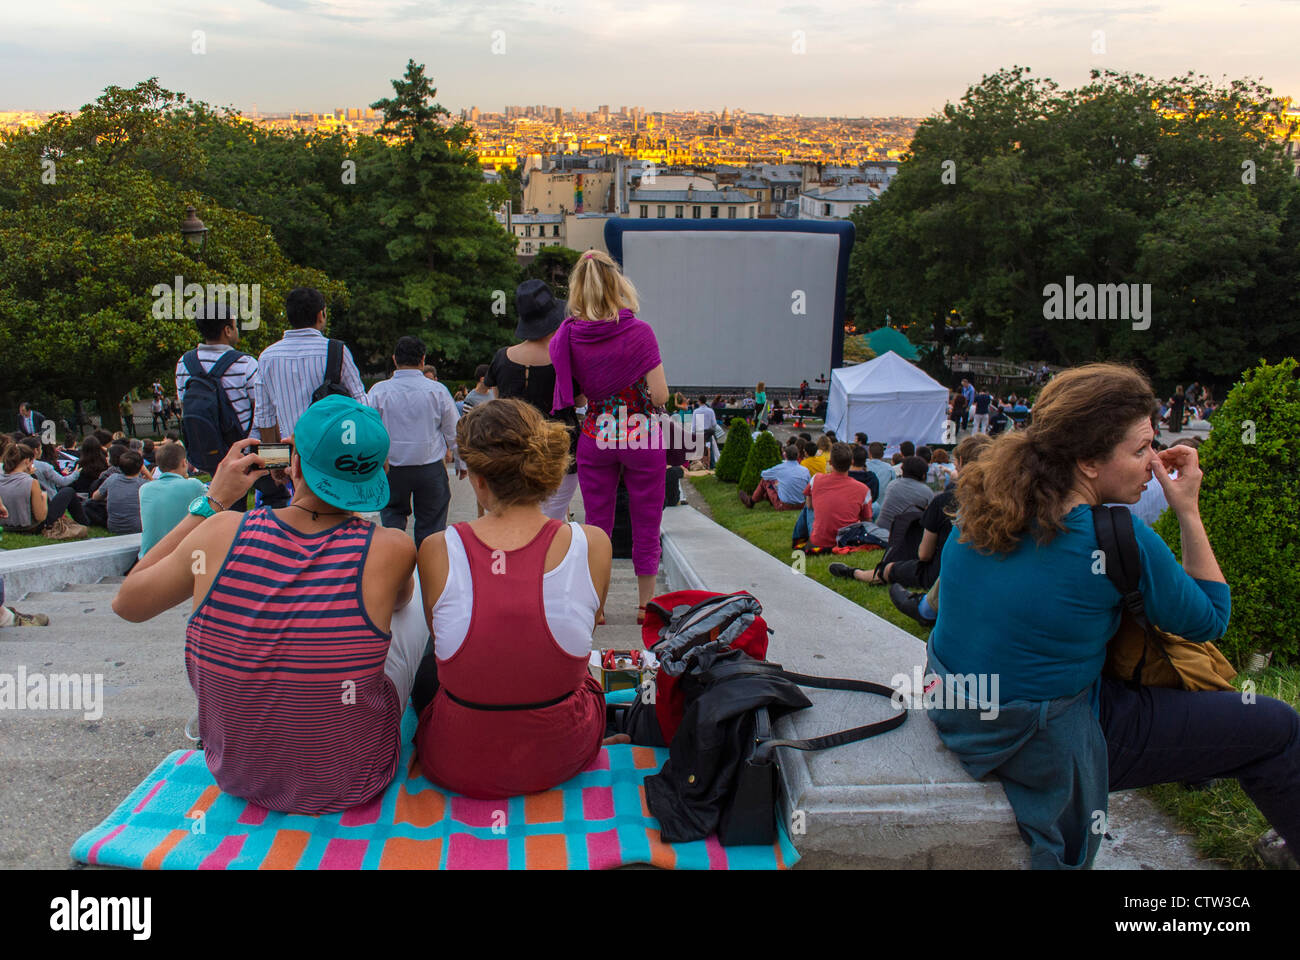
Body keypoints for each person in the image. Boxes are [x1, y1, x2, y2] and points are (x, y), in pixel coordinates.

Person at [924, 362, 1300, 870]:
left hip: (959, 709)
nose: (1153, 463)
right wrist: (1188, 508)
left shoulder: (982, 503)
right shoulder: (1114, 535)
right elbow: (1211, 618)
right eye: (1141, 448)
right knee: (1275, 725)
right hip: (1042, 733)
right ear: (1087, 461)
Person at [112, 397, 423, 815]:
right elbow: (400, 602)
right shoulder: (392, 548)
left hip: (236, 774)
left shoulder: (220, 531)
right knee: (410, 599)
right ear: (380, 473)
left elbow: (128, 601)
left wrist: (212, 503)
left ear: (292, 465)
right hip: (351, 778)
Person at [413, 397, 613, 798]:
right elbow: (580, 632)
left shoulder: (436, 549)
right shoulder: (592, 544)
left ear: (480, 480)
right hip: (562, 752)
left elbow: (446, 648)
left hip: (458, 757)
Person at [549, 249, 669, 624]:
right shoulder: (639, 332)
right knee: (646, 520)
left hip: (597, 433)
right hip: (640, 435)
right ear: (617, 283)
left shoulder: (569, 335)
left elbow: (578, 394)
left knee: (595, 522)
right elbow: (661, 395)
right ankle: (644, 605)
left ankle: (597, 606)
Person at [484, 279, 581, 522]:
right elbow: (579, 401)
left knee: (513, 522)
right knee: (553, 521)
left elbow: (499, 403)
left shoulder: (501, 357)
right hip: (559, 452)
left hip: (512, 451)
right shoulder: (566, 359)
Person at [367, 336, 466, 548]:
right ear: (423, 360)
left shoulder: (378, 391)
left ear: (395, 360)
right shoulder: (437, 391)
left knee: (392, 524)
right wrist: (462, 462)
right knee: (431, 531)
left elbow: (369, 432)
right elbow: (454, 431)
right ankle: (429, 572)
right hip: (429, 469)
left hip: (391, 469)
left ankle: (396, 572)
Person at [252, 286, 366, 446]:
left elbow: (264, 417)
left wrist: (275, 465)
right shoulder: (337, 350)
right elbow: (361, 401)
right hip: (333, 450)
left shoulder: (267, 357)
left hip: (293, 454)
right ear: (321, 315)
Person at [0, 442, 87, 540]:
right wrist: (44, 495)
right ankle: (84, 523)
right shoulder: (30, 482)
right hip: (30, 527)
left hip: (6, 526)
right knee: (68, 491)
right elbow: (40, 517)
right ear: (27, 461)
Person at [138, 441, 208, 559]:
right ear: (184, 463)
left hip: (147, 559)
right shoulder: (194, 485)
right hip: (183, 560)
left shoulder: (144, 489)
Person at [801, 443, 872, 549]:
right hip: (847, 541)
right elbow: (867, 521)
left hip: (820, 541)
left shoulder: (816, 479)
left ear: (830, 463)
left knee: (807, 508)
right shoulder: (863, 489)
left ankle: (799, 538)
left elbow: (810, 505)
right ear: (851, 462)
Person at [740, 443, 810, 510]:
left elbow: (763, 474)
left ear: (785, 455)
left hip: (784, 506)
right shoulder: (805, 470)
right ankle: (767, 498)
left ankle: (751, 502)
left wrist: (775, 476)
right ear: (798, 455)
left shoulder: (780, 468)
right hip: (802, 505)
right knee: (776, 482)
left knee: (765, 480)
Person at [93, 449, 148, 534]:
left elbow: (95, 497)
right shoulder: (145, 485)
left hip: (114, 527)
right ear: (141, 467)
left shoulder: (112, 478)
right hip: (138, 527)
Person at [691, 395, 718, 468]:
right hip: (708, 433)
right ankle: (712, 465)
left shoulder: (696, 411)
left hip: (699, 432)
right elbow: (714, 424)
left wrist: (692, 434)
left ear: (699, 401)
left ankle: (700, 465)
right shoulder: (710, 411)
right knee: (710, 449)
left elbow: (694, 425)